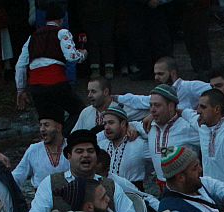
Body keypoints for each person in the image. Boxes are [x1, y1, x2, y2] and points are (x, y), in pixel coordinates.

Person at [22, 129, 136, 212]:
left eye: (90, 151)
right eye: (79, 151)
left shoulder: (111, 186)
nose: (86, 155)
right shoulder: (50, 183)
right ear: (69, 156)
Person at [14, 3, 86, 132]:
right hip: (56, 83)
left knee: (48, 121)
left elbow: (20, 65)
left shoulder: (32, 37)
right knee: (79, 112)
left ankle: (53, 141)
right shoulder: (62, 32)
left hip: (37, 87)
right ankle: (65, 136)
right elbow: (72, 57)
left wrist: (21, 89)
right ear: (61, 19)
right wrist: (83, 54)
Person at [134, 84, 201, 190]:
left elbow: (208, 131)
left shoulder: (187, 127)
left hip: (185, 188)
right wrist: (129, 127)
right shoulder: (150, 126)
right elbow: (130, 125)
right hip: (161, 188)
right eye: (151, 105)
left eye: (157, 105)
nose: (152, 110)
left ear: (170, 106)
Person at [96, 104, 150, 189]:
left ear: (123, 123)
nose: (106, 127)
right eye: (105, 123)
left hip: (133, 192)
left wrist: (134, 127)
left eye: (111, 123)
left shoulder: (140, 144)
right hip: (105, 192)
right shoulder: (101, 145)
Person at [11, 111, 69, 190]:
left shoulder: (72, 147)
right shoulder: (34, 150)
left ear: (58, 127)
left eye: (46, 125)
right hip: (41, 196)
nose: (42, 129)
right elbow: (17, 176)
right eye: (40, 125)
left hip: (69, 194)